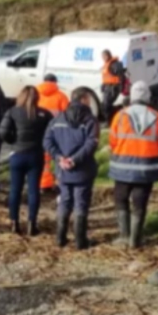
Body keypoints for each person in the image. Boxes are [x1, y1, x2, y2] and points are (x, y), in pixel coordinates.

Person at [108, 81, 158, 249]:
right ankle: (135, 240)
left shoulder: (120, 116)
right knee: (139, 203)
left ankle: (124, 236)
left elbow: (112, 141)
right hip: (146, 169)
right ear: (148, 97)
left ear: (132, 96)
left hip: (122, 168)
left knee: (121, 200)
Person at [43, 88, 100, 250]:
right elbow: (91, 144)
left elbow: (47, 141)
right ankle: (80, 241)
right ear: (83, 99)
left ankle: (60, 237)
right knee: (81, 203)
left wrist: (59, 157)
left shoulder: (58, 118)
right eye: (88, 98)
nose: (89, 101)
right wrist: (74, 160)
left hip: (63, 170)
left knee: (65, 201)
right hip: (83, 170)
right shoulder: (90, 120)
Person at [0, 86, 54, 236]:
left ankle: (14, 222)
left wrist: (13, 141)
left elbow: (2, 131)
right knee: (33, 190)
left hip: (17, 154)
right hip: (36, 155)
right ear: (37, 98)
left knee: (15, 190)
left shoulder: (13, 112)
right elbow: (52, 131)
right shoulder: (44, 113)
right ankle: (32, 223)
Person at [36, 74, 71, 193]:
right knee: (58, 157)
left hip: (39, 130)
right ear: (55, 82)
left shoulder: (36, 95)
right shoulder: (61, 96)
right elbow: (67, 116)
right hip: (57, 131)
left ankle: (43, 184)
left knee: (43, 159)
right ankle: (58, 183)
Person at [99, 50, 126, 124]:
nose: (103, 58)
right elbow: (107, 76)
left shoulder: (114, 64)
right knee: (105, 105)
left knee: (106, 105)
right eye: (103, 56)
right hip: (107, 87)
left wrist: (119, 87)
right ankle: (110, 120)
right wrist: (104, 85)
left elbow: (120, 76)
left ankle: (109, 121)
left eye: (105, 56)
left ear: (108, 55)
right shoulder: (107, 64)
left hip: (113, 88)